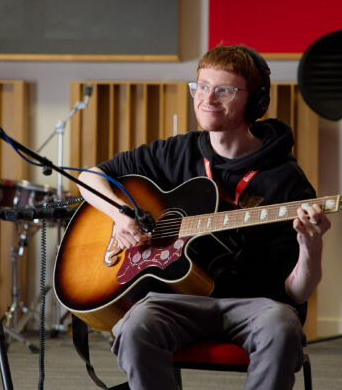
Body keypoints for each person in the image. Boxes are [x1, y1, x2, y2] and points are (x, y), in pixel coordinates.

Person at [77, 45, 331, 390]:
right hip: (175, 300)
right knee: (135, 327)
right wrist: (120, 216)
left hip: (256, 305)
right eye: (201, 86)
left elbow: (297, 293)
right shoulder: (175, 152)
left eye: (224, 89)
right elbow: (90, 178)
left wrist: (309, 247)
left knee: (282, 328)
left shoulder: (286, 180)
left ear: (255, 102)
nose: (207, 99)